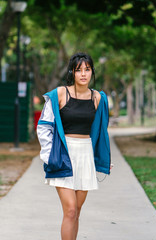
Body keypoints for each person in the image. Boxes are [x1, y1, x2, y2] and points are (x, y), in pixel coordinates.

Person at [37, 52, 111, 240]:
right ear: (72, 72)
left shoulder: (97, 98)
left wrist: (102, 157)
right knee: (70, 210)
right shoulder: (60, 94)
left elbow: (101, 131)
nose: (83, 74)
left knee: (77, 211)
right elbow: (44, 126)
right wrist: (48, 156)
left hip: (85, 154)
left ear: (92, 72)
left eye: (87, 69)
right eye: (79, 70)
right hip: (63, 155)